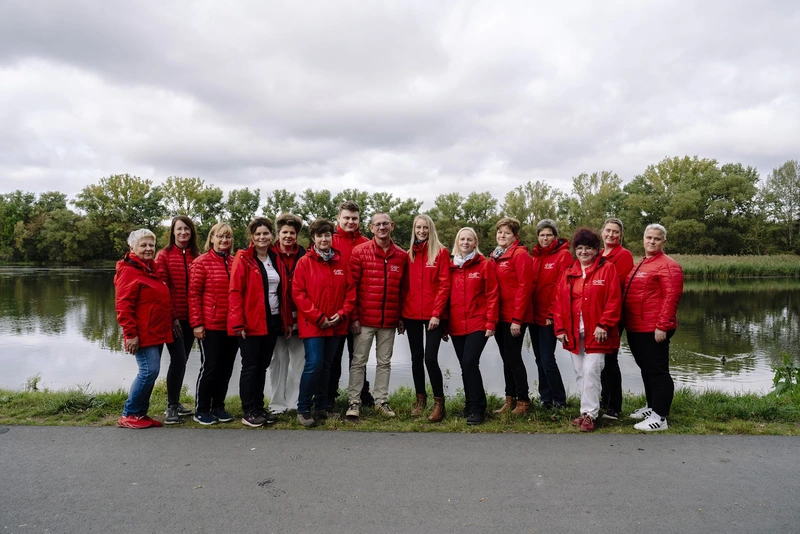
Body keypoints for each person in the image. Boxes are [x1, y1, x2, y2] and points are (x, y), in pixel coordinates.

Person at [553, 228, 622, 432]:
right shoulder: (568, 273)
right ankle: (585, 412)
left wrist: (604, 324)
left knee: (592, 370)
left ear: (596, 250)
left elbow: (614, 299)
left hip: (597, 332)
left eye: (589, 248)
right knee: (580, 372)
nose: (584, 252)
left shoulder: (607, 269)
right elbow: (558, 303)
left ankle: (591, 415)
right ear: (575, 250)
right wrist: (560, 329)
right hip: (574, 333)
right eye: (580, 248)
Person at [292, 218, 355, 427]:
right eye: (320, 235)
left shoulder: (341, 261)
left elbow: (350, 292)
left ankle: (321, 407)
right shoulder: (304, 262)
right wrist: (318, 317)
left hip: (336, 324)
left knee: (327, 366)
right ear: (313, 238)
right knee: (314, 364)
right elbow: (298, 293)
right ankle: (303, 408)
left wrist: (342, 313)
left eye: (327, 235)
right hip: (313, 325)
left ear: (332, 237)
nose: (324, 239)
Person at [345, 212, 408, 420]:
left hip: (388, 320)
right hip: (363, 320)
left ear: (392, 226)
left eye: (385, 224)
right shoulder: (360, 252)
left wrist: (400, 316)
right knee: (358, 361)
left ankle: (381, 400)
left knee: (384, 362)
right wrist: (353, 316)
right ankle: (354, 401)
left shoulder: (401, 255)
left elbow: (403, 289)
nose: (381, 227)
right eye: (377, 224)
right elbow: (351, 286)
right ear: (371, 228)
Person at [624, 224, 684, 432]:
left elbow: (671, 297)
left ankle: (660, 417)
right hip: (637, 326)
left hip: (654, 328)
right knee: (646, 369)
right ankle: (652, 407)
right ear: (643, 239)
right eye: (648, 237)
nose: (651, 241)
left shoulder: (668, 265)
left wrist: (663, 326)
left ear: (663, 242)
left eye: (656, 239)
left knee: (658, 371)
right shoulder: (643, 263)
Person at [114, 229, 172, 429]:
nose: (148, 249)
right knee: (149, 371)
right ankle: (129, 413)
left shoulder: (150, 268)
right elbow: (123, 305)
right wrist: (130, 334)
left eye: (151, 245)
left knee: (152, 372)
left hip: (156, 331)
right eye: (143, 245)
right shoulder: (129, 270)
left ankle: (140, 414)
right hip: (142, 333)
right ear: (132, 248)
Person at [229, 217, 280, 428]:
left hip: (272, 320)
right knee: (250, 366)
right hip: (250, 321)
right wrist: (237, 323)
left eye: (266, 233)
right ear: (252, 237)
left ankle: (259, 407)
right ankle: (248, 410)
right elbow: (235, 291)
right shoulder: (243, 258)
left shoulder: (274, 257)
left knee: (262, 365)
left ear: (271, 236)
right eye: (258, 234)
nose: (262, 237)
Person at [402, 214, 451, 422]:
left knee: (430, 358)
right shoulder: (409, 255)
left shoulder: (440, 253)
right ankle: (420, 400)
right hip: (411, 314)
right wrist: (400, 316)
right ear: (414, 230)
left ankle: (439, 403)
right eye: (418, 228)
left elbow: (444, 285)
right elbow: (403, 287)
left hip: (434, 316)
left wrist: (436, 313)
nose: (421, 231)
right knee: (415, 358)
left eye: (425, 228)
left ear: (431, 229)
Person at [448, 227, 498, 425]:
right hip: (456, 324)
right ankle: (469, 404)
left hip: (478, 322)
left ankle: (479, 408)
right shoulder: (451, 266)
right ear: (457, 242)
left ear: (475, 243)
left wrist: (491, 322)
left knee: (470, 362)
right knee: (464, 366)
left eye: (470, 239)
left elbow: (492, 294)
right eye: (462, 239)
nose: (466, 242)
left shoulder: (484, 265)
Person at [189, 222, 238, 425]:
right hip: (210, 325)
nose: (224, 240)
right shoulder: (201, 262)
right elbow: (193, 295)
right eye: (220, 236)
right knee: (210, 366)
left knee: (226, 368)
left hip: (231, 326)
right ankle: (201, 409)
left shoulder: (235, 262)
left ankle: (218, 406)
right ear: (211, 238)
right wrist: (197, 324)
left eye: (227, 237)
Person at [326, 200, 373, 411]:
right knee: (333, 358)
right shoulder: (329, 241)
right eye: (346, 218)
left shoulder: (366, 242)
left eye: (354, 218)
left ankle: (362, 393)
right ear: (338, 218)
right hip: (336, 311)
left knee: (359, 357)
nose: (350, 221)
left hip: (360, 311)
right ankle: (329, 395)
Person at [155, 216, 198, 424]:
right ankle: (171, 405)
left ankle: (177, 402)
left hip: (193, 319)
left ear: (191, 232)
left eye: (187, 229)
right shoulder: (163, 256)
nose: (183, 233)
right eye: (179, 229)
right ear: (173, 232)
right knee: (178, 359)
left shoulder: (197, 256)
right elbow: (163, 289)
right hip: (174, 320)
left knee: (183, 361)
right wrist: (172, 318)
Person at [491, 217, 534, 415]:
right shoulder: (495, 255)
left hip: (514, 317)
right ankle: (510, 399)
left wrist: (517, 319)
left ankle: (524, 401)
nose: (502, 236)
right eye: (500, 232)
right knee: (505, 358)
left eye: (507, 233)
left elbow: (525, 288)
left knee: (514, 358)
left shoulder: (520, 255)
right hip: (499, 316)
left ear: (515, 236)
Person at [529, 219, 572, 410]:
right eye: (542, 235)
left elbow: (562, 289)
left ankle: (560, 399)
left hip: (549, 317)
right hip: (533, 317)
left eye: (549, 235)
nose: (545, 238)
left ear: (555, 236)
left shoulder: (563, 256)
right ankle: (545, 399)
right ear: (538, 237)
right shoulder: (535, 257)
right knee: (539, 359)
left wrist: (552, 314)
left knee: (547, 359)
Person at [267, 213, 307, 414]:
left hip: (300, 317)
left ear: (297, 234)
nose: (288, 236)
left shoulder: (305, 255)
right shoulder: (269, 255)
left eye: (292, 232)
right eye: (284, 232)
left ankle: (294, 402)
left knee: (299, 362)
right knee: (278, 361)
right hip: (276, 317)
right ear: (278, 233)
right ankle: (276, 404)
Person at [598, 217, 635, 420]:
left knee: (610, 358)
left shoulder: (623, 255)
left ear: (621, 235)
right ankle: (604, 399)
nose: (611, 235)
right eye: (608, 231)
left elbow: (616, 287)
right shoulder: (598, 253)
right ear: (602, 232)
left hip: (612, 315)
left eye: (616, 232)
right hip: (595, 314)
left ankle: (614, 407)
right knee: (599, 359)